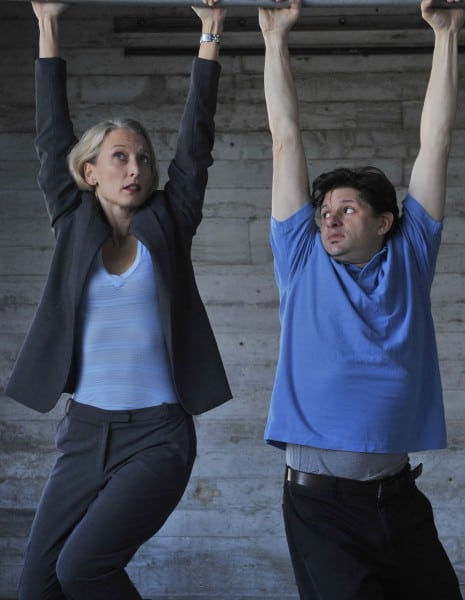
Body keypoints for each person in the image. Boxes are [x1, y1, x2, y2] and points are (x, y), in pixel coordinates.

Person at [6, 1, 231, 598]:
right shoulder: (72, 222)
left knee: (83, 569)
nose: (136, 168)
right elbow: (51, 134)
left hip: (157, 435)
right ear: (89, 173)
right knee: (37, 587)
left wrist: (211, 34)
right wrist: (47, 20)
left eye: (143, 158)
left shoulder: (170, 221)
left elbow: (196, 143)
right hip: (83, 432)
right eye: (120, 158)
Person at [258, 0, 464, 598]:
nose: (329, 219)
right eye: (325, 211)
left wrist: (446, 35)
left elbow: (437, 142)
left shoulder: (412, 253)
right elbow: (284, 139)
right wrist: (275, 37)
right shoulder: (300, 258)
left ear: (385, 221)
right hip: (321, 509)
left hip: (398, 497)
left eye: (346, 208)